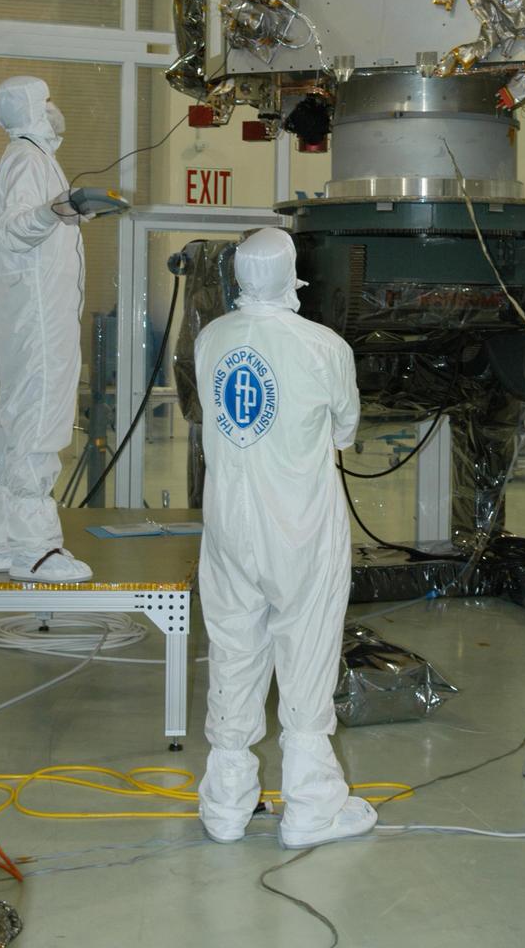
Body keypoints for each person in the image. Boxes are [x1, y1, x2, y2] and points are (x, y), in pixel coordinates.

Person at [194, 227, 376, 848]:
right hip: (298, 527)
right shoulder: (324, 347)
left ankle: (224, 805)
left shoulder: (211, 339)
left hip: (227, 530)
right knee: (308, 651)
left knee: (234, 651)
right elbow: (345, 430)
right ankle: (311, 809)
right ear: (291, 274)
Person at [0, 76, 92, 583]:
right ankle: (36, 549)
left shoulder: (28, 157)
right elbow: (14, 228)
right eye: (46, 101)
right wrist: (57, 210)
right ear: (31, 109)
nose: (53, 109)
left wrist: (63, 209)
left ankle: (5, 541)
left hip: (29, 313)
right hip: (39, 318)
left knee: (15, 422)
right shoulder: (28, 157)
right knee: (38, 422)